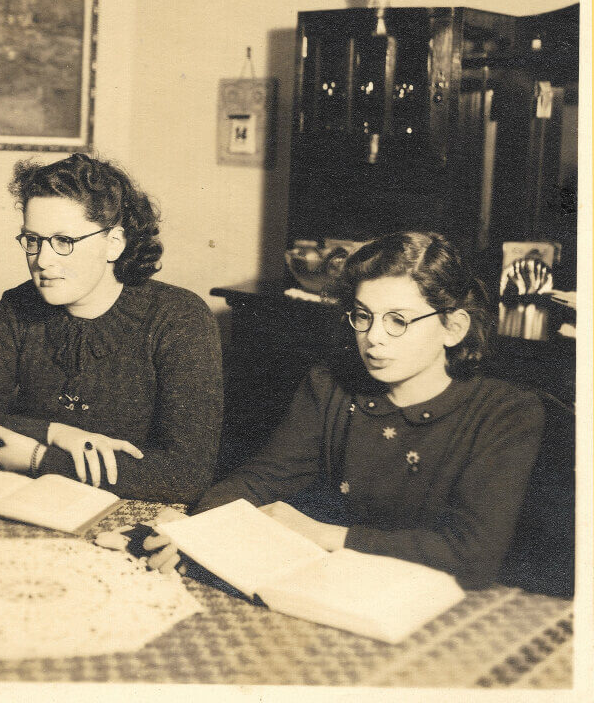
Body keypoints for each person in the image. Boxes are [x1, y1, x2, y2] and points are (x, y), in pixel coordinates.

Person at [130, 231, 543, 589]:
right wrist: (197, 530)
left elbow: (471, 557)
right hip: (339, 585)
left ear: (453, 328)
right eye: (363, 316)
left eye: (398, 320)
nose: (373, 338)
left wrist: (321, 534)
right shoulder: (329, 385)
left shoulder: (507, 413)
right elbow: (264, 477)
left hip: (443, 603)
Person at [0, 153, 223, 502]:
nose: (42, 260)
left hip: (131, 511)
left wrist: (41, 458)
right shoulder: (17, 306)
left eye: (64, 241)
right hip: (30, 502)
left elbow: (186, 475)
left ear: (115, 242)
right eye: (33, 240)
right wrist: (55, 432)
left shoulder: (178, 318)